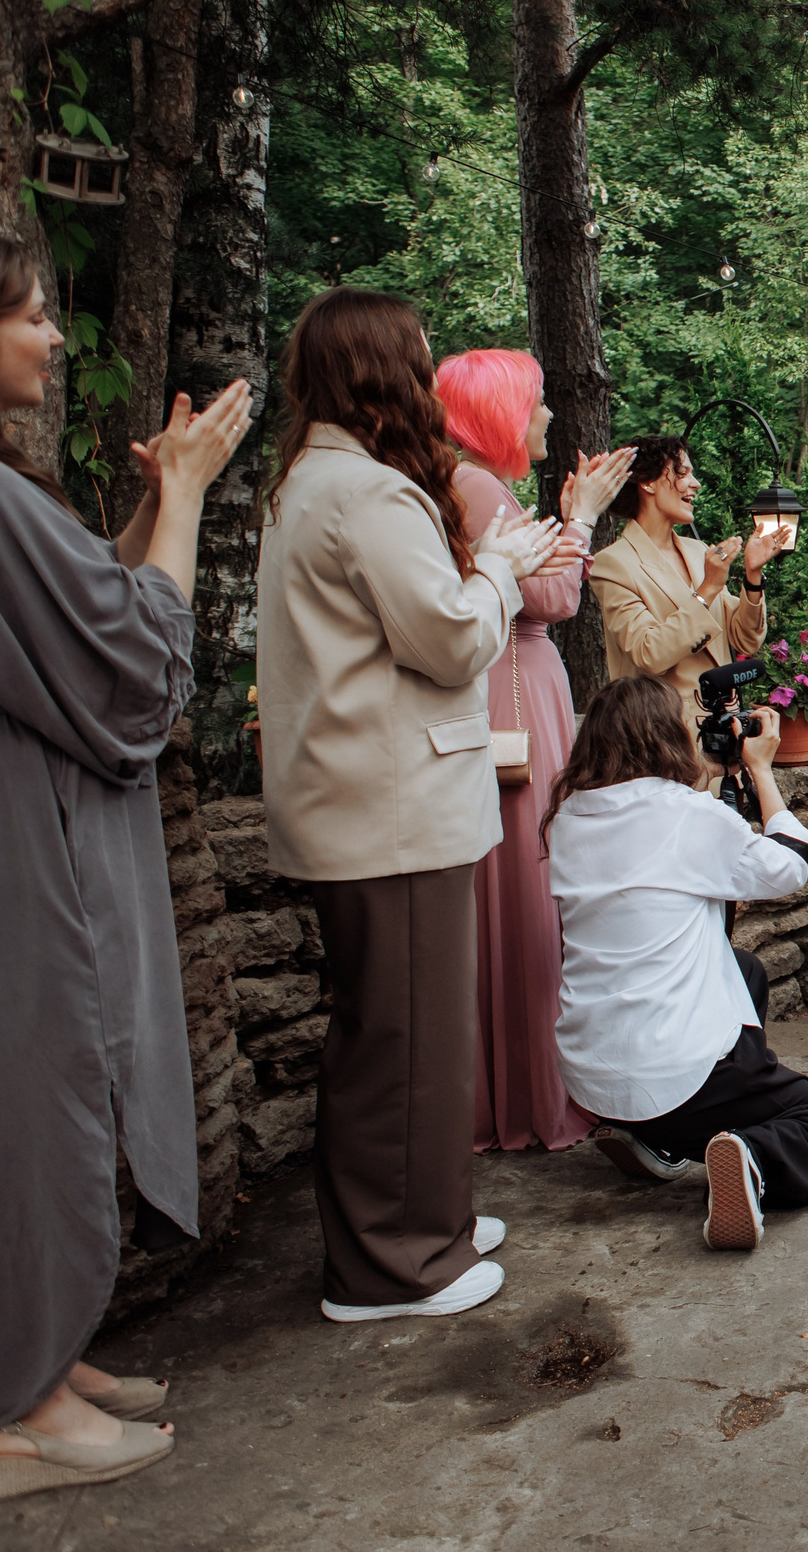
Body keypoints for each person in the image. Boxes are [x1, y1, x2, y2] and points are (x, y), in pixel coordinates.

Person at [0, 227, 254, 1497]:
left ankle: (37, 1360)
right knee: (32, 1103)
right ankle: (13, 1409)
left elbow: (90, 606)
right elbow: (137, 671)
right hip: (12, 836)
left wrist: (147, 504)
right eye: (30, 314)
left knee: (37, 1090)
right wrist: (182, 500)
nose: (56, 334)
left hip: (16, 816)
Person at [255, 287, 568, 1325]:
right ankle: (391, 1264)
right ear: (382, 365)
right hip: (386, 805)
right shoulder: (372, 495)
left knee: (407, 1031)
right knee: (402, 1039)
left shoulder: (315, 477)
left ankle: (426, 1214)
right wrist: (507, 575)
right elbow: (444, 639)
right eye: (418, 355)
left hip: (361, 798)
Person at [546, 675, 808, 1249]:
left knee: (745, 969)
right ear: (667, 738)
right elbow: (790, 866)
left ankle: (659, 1141)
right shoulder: (686, 816)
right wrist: (762, 771)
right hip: (677, 1071)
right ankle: (751, 1158)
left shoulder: (571, 816)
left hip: (589, 1071)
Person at [438, 348, 636, 1155]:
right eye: (537, 401)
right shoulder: (478, 485)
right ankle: (532, 1096)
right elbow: (551, 596)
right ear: (500, 410)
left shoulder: (475, 485)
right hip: (513, 694)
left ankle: (512, 1087)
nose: (548, 415)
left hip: (508, 686)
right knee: (527, 883)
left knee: (522, 881)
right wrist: (584, 514)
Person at [587, 433, 786, 732]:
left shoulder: (697, 551)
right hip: (663, 736)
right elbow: (648, 654)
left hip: (724, 729)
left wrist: (753, 575)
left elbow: (746, 639)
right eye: (682, 473)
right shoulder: (612, 564)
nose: (696, 483)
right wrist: (707, 590)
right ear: (647, 482)